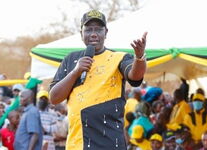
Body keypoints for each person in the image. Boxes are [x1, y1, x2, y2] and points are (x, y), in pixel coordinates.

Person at [49, 10, 147, 150]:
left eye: (98, 29)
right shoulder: (70, 59)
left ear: (106, 32)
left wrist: (139, 58)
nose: (93, 34)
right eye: (88, 30)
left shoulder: (118, 58)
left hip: (109, 143)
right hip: (77, 144)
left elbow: (135, 76)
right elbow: (54, 98)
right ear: (81, 33)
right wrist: (76, 72)